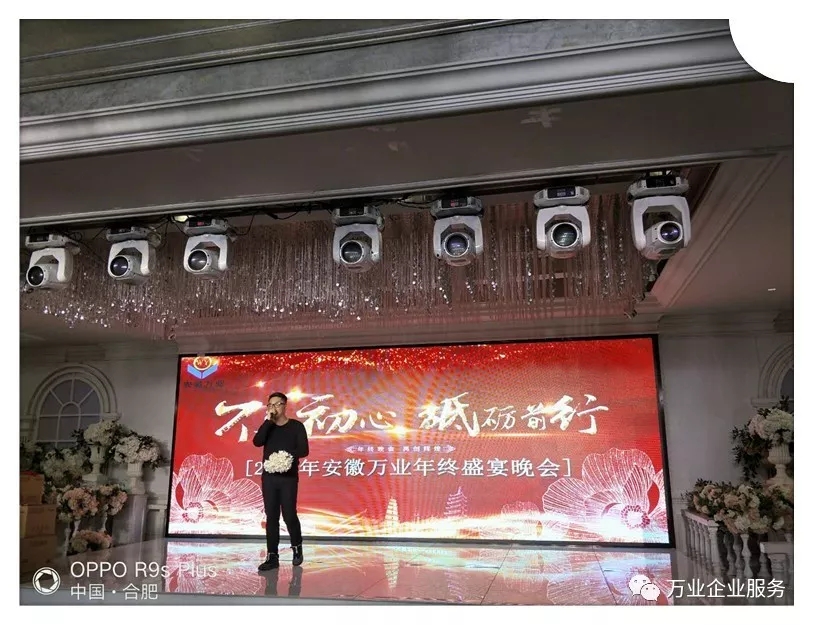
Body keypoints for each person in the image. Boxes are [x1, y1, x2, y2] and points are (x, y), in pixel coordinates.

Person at [252, 392, 309, 571]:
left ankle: (297, 547)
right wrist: (268, 422)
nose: (273, 408)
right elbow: (257, 442)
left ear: (284, 406)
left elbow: (304, 450)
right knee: (271, 516)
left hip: (288, 478)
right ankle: (272, 556)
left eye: (277, 404)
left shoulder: (296, 426)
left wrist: (285, 457)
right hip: (269, 478)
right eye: (270, 405)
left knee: (289, 514)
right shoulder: (268, 426)